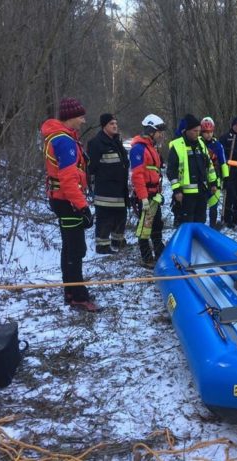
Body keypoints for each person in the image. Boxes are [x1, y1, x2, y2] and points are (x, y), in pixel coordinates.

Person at [41, 97, 99, 312]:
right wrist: (83, 207)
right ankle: (78, 296)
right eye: (81, 117)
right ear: (70, 117)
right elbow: (67, 180)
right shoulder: (64, 142)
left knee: (70, 248)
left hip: (61, 199)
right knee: (76, 249)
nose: (83, 121)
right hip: (67, 201)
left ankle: (71, 291)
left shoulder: (60, 138)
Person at [87, 113, 130, 254]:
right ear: (104, 126)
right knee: (105, 217)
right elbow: (91, 168)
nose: (115, 126)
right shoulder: (96, 143)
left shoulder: (117, 141)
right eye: (112, 124)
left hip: (119, 187)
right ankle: (102, 246)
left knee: (120, 215)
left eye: (116, 123)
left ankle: (118, 241)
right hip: (105, 189)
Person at [130, 114, 167, 269]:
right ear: (151, 131)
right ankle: (146, 258)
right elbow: (137, 175)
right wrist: (143, 198)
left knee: (157, 224)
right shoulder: (138, 149)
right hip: (145, 195)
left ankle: (159, 252)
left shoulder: (151, 147)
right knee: (145, 228)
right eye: (159, 131)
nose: (161, 135)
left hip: (154, 194)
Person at [167, 114, 218, 223]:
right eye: (195, 131)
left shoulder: (201, 143)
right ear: (187, 130)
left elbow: (209, 165)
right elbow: (171, 171)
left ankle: (197, 240)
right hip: (185, 195)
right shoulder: (177, 145)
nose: (198, 133)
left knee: (201, 222)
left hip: (201, 191)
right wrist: (177, 190)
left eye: (199, 131)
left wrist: (213, 183)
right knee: (186, 223)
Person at [200, 117, 228, 229]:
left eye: (210, 132)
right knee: (201, 207)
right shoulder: (197, 144)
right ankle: (200, 228)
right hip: (201, 180)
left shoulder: (218, 145)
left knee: (213, 206)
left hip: (215, 179)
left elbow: (223, 162)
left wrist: (226, 177)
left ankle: (212, 226)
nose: (208, 135)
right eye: (206, 132)